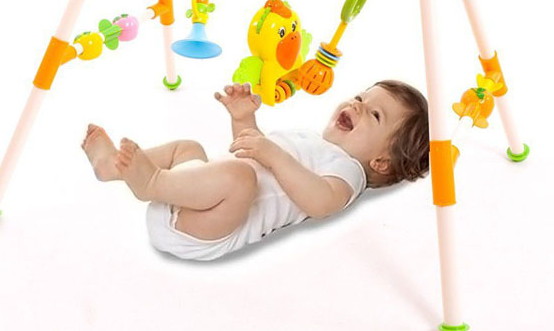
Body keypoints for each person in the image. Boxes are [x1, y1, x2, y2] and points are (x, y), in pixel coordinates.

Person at [81, 80, 429, 261]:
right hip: (189, 197)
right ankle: (114, 167)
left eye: (375, 115)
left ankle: (151, 183)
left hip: (204, 231)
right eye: (361, 97)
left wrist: (273, 155)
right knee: (189, 148)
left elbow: (321, 202)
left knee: (240, 178)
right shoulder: (309, 140)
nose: (357, 105)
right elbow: (251, 152)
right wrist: (244, 120)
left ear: (380, 162)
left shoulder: (349, 171)